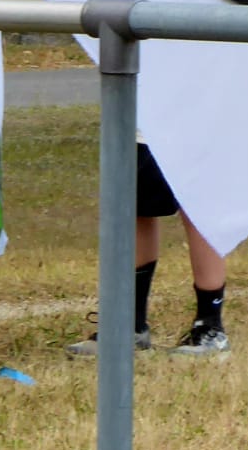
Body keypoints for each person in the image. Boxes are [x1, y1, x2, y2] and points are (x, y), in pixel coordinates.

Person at [66, 143, 230, 358]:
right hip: (142, 119)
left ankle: (210, 326)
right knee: (134, 198)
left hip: (195, 117)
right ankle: (128, 325)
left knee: (197, 200)